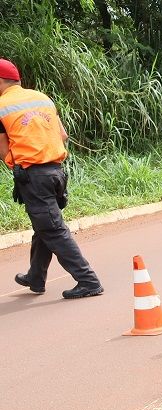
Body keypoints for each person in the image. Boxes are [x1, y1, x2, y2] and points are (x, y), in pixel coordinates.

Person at [0, 58, 103, 298]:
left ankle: (88, 280)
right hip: (57, 172)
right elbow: (63, 135)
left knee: (53, 229)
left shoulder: (1, 105)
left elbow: (3, 149)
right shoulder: (41, 97)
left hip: (33, 176)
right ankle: (36, 277)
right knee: (43, 226)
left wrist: (20, 165)